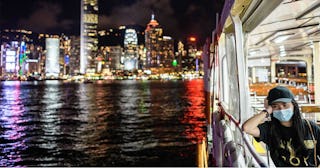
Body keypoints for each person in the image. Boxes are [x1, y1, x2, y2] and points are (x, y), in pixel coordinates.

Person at [242, 86, 320, 167]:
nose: (281, 109)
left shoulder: (311, 128)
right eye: (275, 106)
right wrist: (266, 111)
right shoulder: (270, 129)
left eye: (285, 105)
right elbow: (247, 128)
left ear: (294, 105)